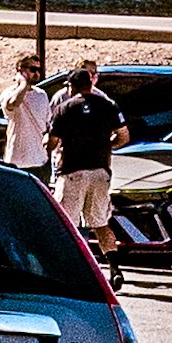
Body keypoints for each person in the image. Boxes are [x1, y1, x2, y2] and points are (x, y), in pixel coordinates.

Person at [47, 61, 128, 291]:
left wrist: (51, 147)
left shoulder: (65, 108)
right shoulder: (108, 105)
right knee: (101, 223)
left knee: (67, 225)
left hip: (72, 171)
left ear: (71, 86)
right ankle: (114, 268)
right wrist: (105, 145)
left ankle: (67, 271)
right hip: (101, 171)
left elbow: (52, 141)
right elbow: (124, 136)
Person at [0, 51, 52, 185]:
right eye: (33, 69)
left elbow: (47, 123)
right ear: (20, 70)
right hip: (17, 161)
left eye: (39, 69)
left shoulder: (42, 95)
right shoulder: (8, 93)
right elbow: (13, 103)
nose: (37, 73)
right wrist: (23, 83)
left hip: (39, 160)